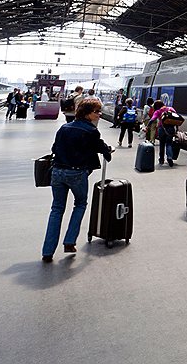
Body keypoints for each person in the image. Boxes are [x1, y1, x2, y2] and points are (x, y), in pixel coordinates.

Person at [41, 98, 113, 263]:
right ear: (87, 113)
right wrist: (108, 151)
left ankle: (47, 251)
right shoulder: (91, 131)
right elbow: (101, 147)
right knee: (80, 204)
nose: (99, 114)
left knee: (56, 209)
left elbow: (54, 148)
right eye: (96, 112)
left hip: (57, 172)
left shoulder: (64, 128)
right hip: (76, 173)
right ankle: (69, 241)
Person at [150, 100, 177, 167]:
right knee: (169, 144)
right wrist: (176, 128)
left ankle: (161, 159)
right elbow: (176, 118)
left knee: (162, 144)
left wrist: (147, 126)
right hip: (171, 129)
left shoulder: (158, 111)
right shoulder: (171, 109)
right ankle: (169, 158)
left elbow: (153, 119)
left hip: (162, 128)